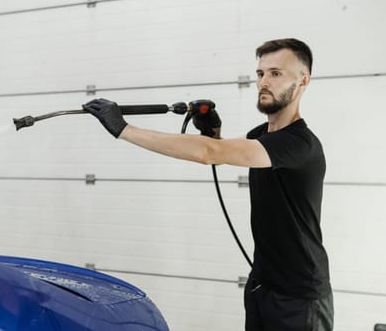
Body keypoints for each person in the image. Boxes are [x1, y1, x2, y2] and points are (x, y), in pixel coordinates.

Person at [83, 38, 333, 330]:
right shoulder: (262, 135)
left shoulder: (300, 144)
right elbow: (222, 151)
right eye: (261, 73)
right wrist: (213, 132)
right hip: (263, 284)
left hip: (299, 296)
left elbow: (209, 154)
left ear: (303, 81)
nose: (264, 81)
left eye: (276, 73)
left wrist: (124, 129)